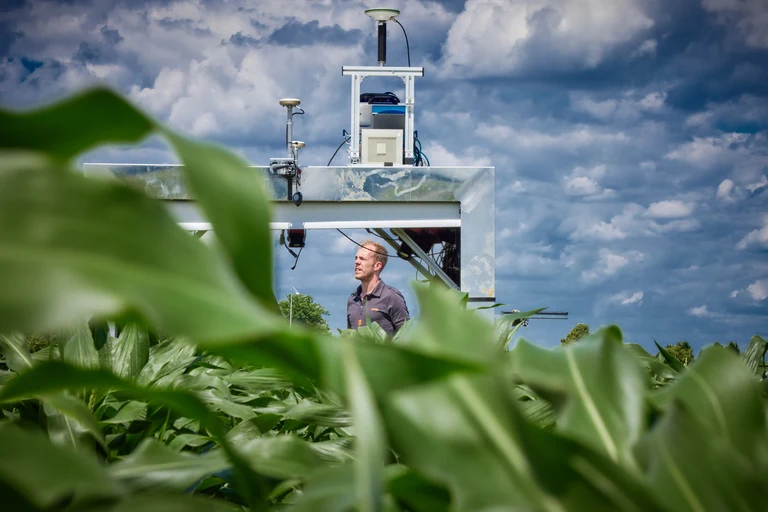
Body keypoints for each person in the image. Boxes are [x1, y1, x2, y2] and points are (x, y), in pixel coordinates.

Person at [346, 240, 409, 336]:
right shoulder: (352, 299)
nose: (357, 262)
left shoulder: (391, 297)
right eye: (356, 258)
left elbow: (406, 336)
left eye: (362, 259)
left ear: (377, 266)